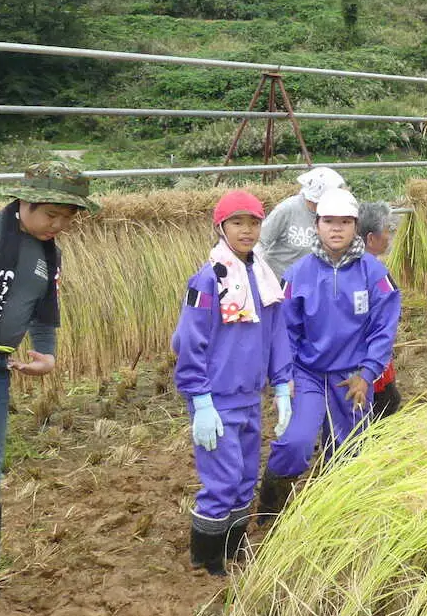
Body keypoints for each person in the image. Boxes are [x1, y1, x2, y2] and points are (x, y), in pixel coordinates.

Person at [0, 161, 97, 597]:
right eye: (52, 214)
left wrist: (46, 354)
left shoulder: (49, 255)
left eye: (68, 218)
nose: (59, 225)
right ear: (25, 201)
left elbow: (43, 311)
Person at [257, 188, 400, 518]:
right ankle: (269, 506)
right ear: (316, 225)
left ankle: (335, 515)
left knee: (348, 451)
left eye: (345, 222)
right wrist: (285, 377)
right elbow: (285, 332)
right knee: (296, 442)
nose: (337, 228)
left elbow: (383, 331)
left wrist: (366, 375)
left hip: (351, 378)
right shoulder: (298, 274)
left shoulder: (375, 275)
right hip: (307, 374)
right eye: (329, 221)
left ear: (355, 226)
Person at [171, 190, 292, 576]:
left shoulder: (263, 276)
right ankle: (206, 559)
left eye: (254, 222)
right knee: (221, 480)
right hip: (217, 396)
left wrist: (283, 387)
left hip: (248, 395)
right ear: (220, 226)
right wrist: (200, 401)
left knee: (244, 478)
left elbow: (277, 336)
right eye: (237, 222)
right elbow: (190, 341)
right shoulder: (210, 279)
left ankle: (233, 546)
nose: (247, 230)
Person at [259, 167, 347, 278]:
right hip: (280, 279)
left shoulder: (335, 214)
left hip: (310, 281)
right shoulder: (287, 209)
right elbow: (261, 241)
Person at [358, 201, 402, 419]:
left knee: (388, 400)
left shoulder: (368, 266)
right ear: (370, 239)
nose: (388, 235)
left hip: (373, 351)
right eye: (386, 230)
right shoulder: (371, 271)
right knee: (384, 403)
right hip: (368, 354)